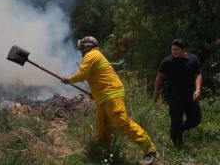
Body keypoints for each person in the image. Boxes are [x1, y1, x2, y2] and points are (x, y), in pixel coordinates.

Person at [62, 36, 157, 165]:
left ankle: (150, 151)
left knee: (123, 122)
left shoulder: (91, 55)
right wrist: (94, 94)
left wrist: (69, 79)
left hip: (112, 94)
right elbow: (98, 78)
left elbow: (82, 75)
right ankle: (104, 152)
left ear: (86, 47)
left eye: (81, 48)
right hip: (103, 96)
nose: (81, 52)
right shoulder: (95, 55)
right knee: (102, 126)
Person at [153, 38, 202, 147]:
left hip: (190, 95)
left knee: (195, 119)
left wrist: (197, 89)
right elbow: (160, 77)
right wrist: (156, 91)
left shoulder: (193, 59)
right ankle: (177, 144)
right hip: (174, 96)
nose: (173, 52)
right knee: (176, 120)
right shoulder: (167, 62)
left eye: (176, 50)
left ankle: (178, 130)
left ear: (184, 50)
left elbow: (197, 74)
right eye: (172, 49)